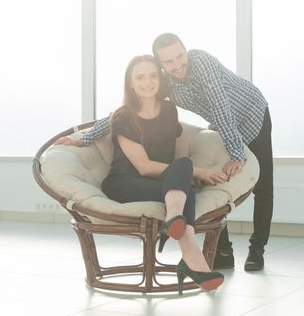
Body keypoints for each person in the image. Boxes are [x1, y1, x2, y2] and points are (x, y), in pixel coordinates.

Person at [56, 55, 226, 295]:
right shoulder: (124, 116)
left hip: (160, 183)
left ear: (160, 79)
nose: (148, 82)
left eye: (153, 75)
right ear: (131, 84)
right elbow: (144, 166)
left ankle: (179, 231)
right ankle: (191, 255)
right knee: (185, 181)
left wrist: (186, 169)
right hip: (123, 183)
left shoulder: (169, 109)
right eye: (140, 77)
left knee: (183, 165)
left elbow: (171, 156)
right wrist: (199, 172)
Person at [151, 33, 273, 272]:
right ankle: (224, 251)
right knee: (211, 182)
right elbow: (136, 102)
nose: (177, 66)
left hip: (253, 114)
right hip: (225, 126)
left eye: (180, 56)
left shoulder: (201, 62)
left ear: (186, 50)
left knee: (263, 186)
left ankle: (257, 250)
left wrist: (237, 154)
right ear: (161, 65)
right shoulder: (166, 84)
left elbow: (221, 107)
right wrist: (90, 132)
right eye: (168, 62)